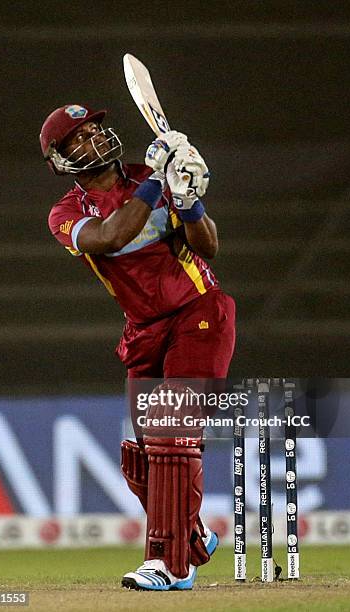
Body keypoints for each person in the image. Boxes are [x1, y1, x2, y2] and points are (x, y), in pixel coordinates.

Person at [40, 103, 236, 591]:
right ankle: (189, 536)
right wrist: (158, 184)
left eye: (97, 128)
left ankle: (171, 565)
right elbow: (112, 234)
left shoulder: (153, 175)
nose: (96, 137)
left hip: (199, 313)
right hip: (143, 330)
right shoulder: (66, 214)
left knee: (171, 430)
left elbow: (207, 245)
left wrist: (189, 200)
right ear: (60, 160)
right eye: (79, 137)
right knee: (140, 456)